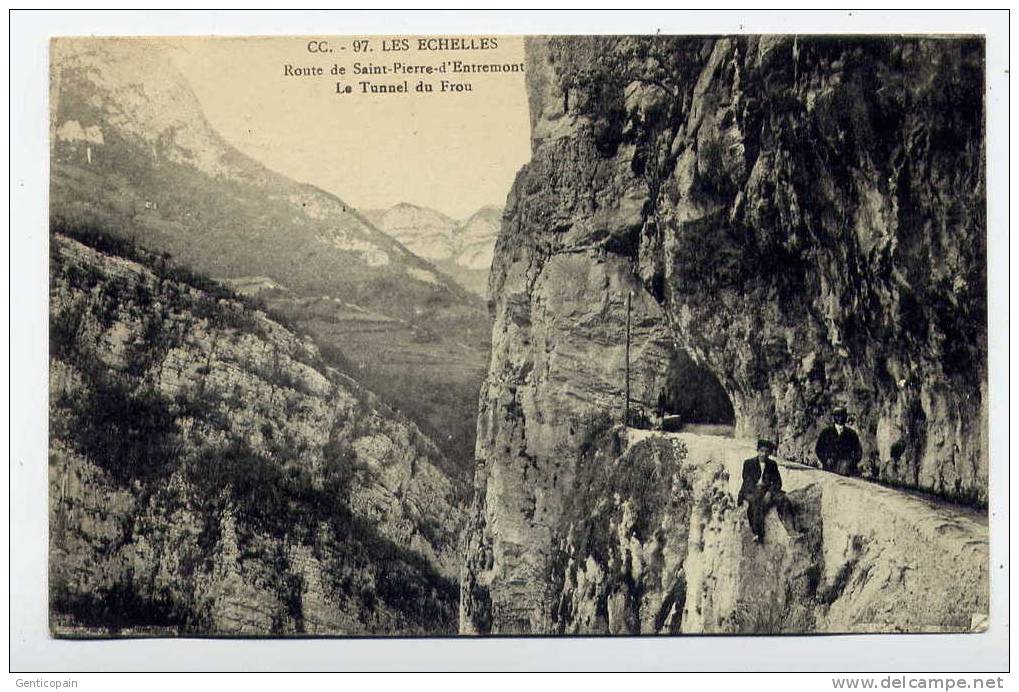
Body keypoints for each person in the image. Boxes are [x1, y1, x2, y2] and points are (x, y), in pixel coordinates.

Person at [738, 438, 788, 543]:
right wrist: (758, 490)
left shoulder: (772, 464)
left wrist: (769, 491)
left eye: (766, 452)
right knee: (756, 502)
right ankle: (758, 533)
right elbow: (747, 481)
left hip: (766, 490)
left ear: (769, 453)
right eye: (761, 451)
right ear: (758, 451)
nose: (763, 454)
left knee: (782, 498)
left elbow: (778, 482)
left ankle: (790, 528)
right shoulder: (748, 463)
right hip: (750, 490)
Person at [814, 406, 863, 476]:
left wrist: (850, 462)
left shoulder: (852, 434)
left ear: (846, 417)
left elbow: (858, 451)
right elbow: (819, 449)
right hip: (829, 470)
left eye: (842, 415)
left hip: (846, 471)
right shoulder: (826, 433)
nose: (840, 418)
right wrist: (826, 459)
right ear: (834, 417)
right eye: (837, 415)